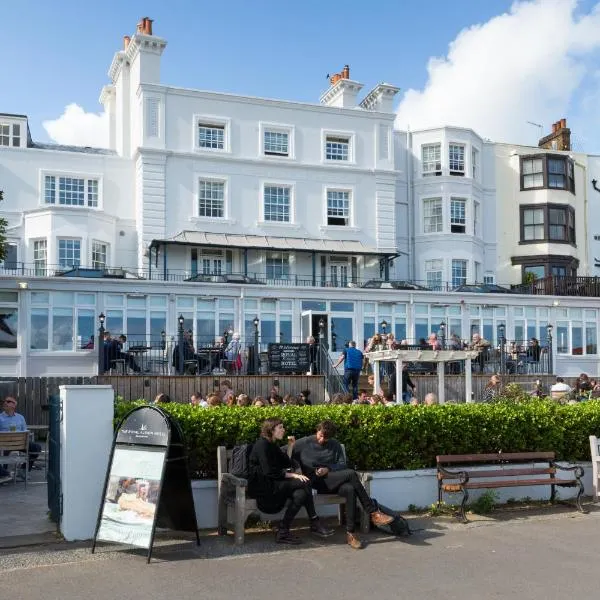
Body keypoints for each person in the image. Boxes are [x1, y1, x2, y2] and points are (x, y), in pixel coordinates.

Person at [291, 420, 393, 549]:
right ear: (317, 430)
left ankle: (351, 533)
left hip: (332, 479)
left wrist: (328, 469)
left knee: (350, 489)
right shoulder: (304, 442)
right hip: (314, 482)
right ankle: (373, 512)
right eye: (321, 435)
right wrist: (296, 470)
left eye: (326, 438)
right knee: (351, 474)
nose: (322, 439)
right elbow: (286, 452)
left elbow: (342, 464)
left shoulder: (335, 445)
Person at [248, 417, 334, 544]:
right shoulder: (262, 445)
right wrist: (293, 476)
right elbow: (269, 472)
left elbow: (286, 462)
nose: (283, 430)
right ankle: (314, 522)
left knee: (301, 494)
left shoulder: (272, 444)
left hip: (275, 483)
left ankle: (283, 531)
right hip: (264, 487)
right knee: (305, 482)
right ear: (271, 430)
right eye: (280, 427)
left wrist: (290, 447)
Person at [0, 396, 41, 473]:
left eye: (8, 401)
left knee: (37, 448)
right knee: (2, 453)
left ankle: (23, 470)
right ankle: (4, 474)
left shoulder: (20, 417)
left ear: (14, 405)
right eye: (4, 401)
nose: (5, 403)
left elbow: (24, 431)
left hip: (20, 444)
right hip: (4, 444)